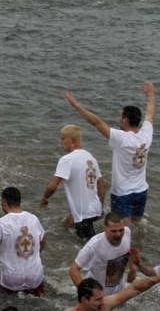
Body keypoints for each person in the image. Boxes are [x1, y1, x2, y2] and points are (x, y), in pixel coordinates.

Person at [64, 82, 154, 224]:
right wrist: (150, 94)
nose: (119, 119)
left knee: (120, 227)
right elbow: (150, 114)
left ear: (126, 119)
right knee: (137, 223)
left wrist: (75, 105)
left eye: (121, 116)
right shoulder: (147, 134)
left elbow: (96, 122)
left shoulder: (121, 138)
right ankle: (137, 244)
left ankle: (125, 246)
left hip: (122, 193)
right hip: (141, 190)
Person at [40, 124, 105, 240]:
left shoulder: (66, 160)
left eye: (63, 139)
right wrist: (100, 206)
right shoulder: (90, 157)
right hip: (95, 209)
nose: (60, 142)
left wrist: (45, 198)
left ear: (73, 140)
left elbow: (52, 187)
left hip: (83, 214)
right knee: (68, 225)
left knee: (88, 246)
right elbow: (101, 184)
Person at [69, 213, 136, 296]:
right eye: (114, 231)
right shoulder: (94, 245)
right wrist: (86, 294)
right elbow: (73, 269)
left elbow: (127, 251)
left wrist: (132, 269)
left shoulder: (127, 232)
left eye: (121, 230)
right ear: (104, 229)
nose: (118, 234)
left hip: (119, 288)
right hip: (99, 294)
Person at [65, 276, 160, 311]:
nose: (102, 302)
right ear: (85, 300)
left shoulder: (105, 305)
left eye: (102, 298)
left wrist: (156, 279)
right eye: (98, 299)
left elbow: (134, 288)